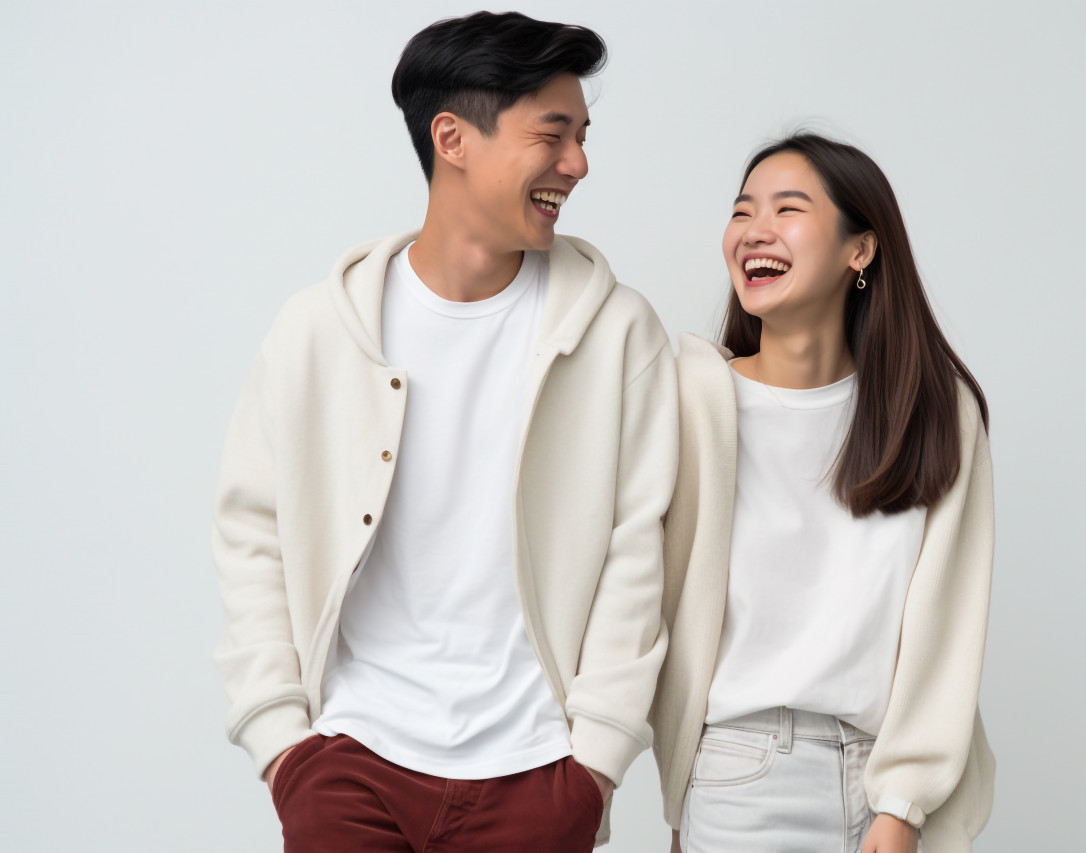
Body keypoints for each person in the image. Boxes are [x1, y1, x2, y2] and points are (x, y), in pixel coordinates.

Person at [211, 12, 677, 852]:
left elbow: (638, 548)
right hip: (352, 764)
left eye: (582, 135)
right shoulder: (320, 328)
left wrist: (595, 764)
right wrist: (284, 744)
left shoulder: (618, 333)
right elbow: (251, 533)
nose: (577, 163)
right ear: (453, 138)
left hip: (536, 774)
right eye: (554, 133)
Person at [652, 133, 996, 853]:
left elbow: (949, 623)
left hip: (895, 784)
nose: (754, 230)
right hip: (742, 774)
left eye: (788, 208)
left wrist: (902, 803)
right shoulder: (690, 399)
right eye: (743, 210)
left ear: (859, 250)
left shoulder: (932, 410)